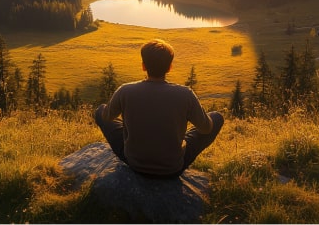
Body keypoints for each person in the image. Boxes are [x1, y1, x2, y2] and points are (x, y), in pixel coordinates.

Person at [95, 39, 224, 178]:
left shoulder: (125, 90)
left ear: (143, 66)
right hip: (172, 168)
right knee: (217, 117)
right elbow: (206, 129)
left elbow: (107, 117)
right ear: (169, 67)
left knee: (100, 111)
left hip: (134, 163)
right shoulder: (185, 94)